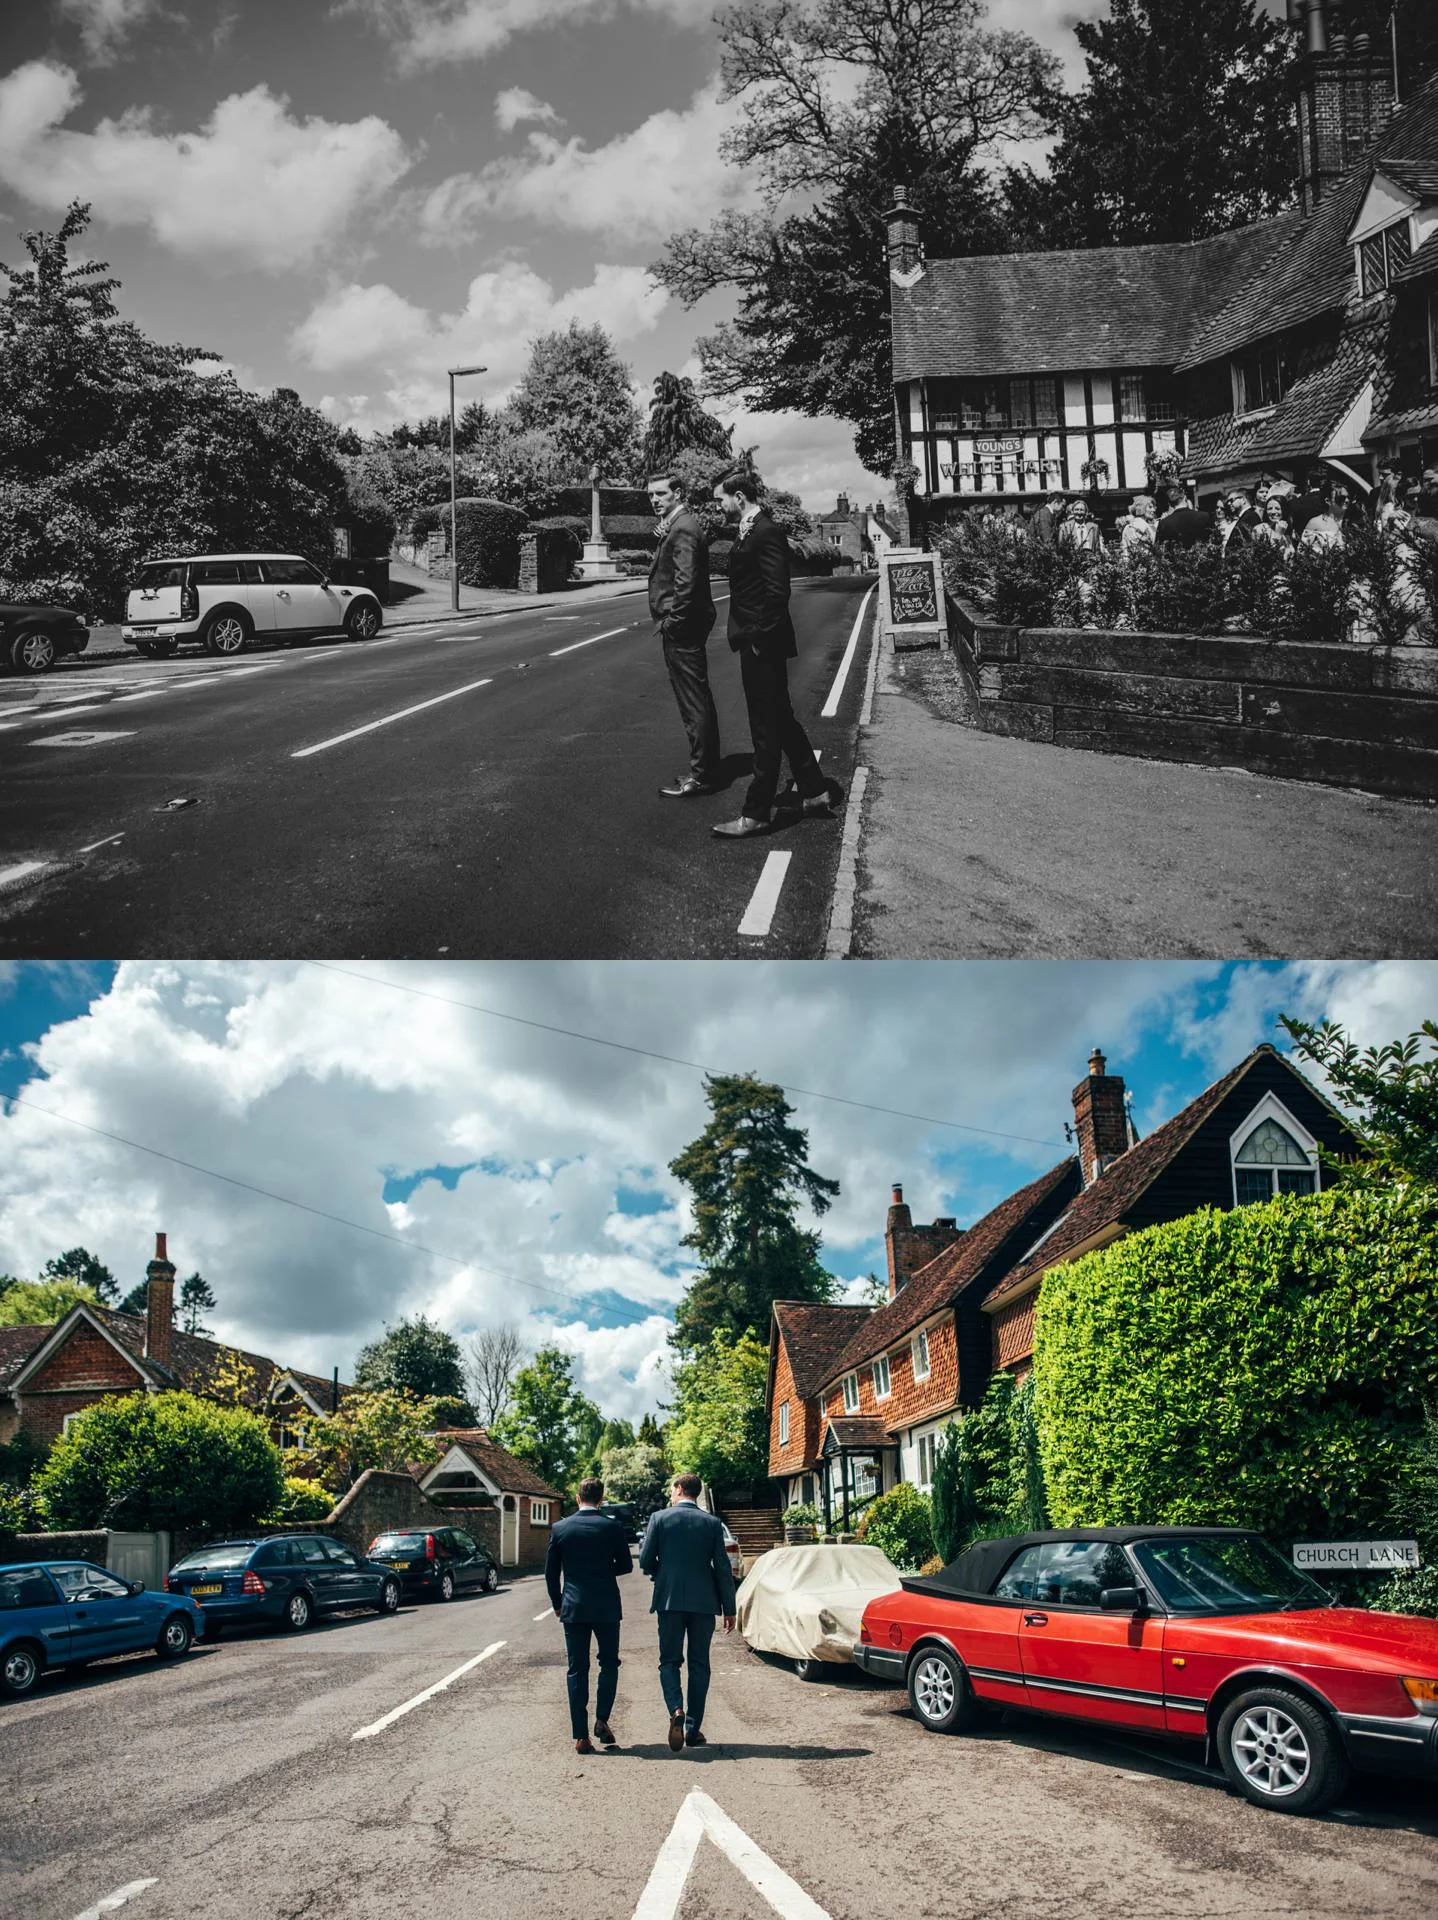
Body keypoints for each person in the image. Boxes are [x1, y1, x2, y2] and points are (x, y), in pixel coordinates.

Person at [710, 469, 841, 841]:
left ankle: (756, 813)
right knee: (781, 719)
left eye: (721, 499)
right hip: (758, 641)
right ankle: (815, 792)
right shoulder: (752, 530)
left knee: (764, 729)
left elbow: (776, 592)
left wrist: (757, 639)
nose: (719, 506)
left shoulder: (766, 532)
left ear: (739, 497)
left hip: (763, 645)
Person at [638, 1472, 737, 1750]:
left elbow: (645, 1560)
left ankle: (676, 1710)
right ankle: (693, 1729)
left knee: (669, 1661)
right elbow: (722, 1568)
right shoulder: (712, 1523)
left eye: (672, 1488)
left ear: (680, 1489)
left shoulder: (659, 1518)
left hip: (669, 1602)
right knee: (699, 1664)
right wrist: (729, 1608)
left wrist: (664, 1575)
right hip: (704, 1603)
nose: (670, 1493)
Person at [545, 1475, 634, 1755]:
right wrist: (604, 1571)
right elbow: (626, 1566)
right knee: (609, 1664)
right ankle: (602, 1719)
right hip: (606, 1606)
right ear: (602, 1498)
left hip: (574, 1607)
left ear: (577, 1497)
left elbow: (550, 1572)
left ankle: (581, 1736)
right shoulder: (611, 1527)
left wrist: (558, 1603)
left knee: (576, 1669)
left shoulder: (560, 1528)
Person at [647, 471, 720, 800]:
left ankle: (702, 776)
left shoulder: (684, 528)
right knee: (696, 700)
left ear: (678, 493)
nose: (654, 499)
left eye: (661, 494)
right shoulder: (678, 525)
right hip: (684, 624)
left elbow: (686, 585)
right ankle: (706, 769)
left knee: (694, 703)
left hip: (683, 627)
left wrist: (671, 622)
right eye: (651, 494)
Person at [1155, 481, 1213, 550]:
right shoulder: (1205, 516)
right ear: (1185, 497)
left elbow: (1159, 550)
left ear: (1170, 504)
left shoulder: (1164, 524)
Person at [1117, 494, 1158, 559]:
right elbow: (1155, 546)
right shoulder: (1143, 525)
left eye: (1153, 507)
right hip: (1147, 564)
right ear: (1142, 509)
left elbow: (1125, 551)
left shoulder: (1127, 527)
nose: (1154, 510)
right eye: (1150, 507)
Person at [1254, 494, 1295, 558]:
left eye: (1277, 509)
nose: (1273, 512)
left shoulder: (1286, 528)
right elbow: (1267, 556)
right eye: (1270, 509)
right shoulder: (1260, 529)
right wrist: (1278, 534)